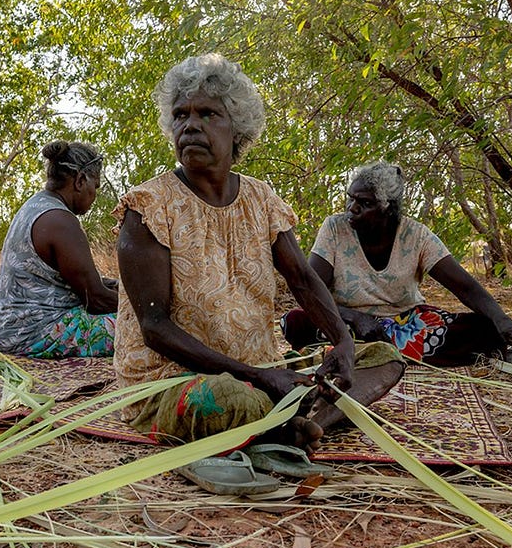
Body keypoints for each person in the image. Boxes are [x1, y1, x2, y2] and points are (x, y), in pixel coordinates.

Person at [115, 54, 406, 481]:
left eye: (207, 114)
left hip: (261, 368)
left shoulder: (260, 199)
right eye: (180, 115)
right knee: (231, 401)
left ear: (237, 129)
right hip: (179, 380)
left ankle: (298, 425)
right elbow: (154, 328)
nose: (189, 126)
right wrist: (259, 378)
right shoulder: (148, 207)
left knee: (381, 357)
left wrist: (342, 342)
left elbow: (303, 279)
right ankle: (284, 423)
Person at [282, 161, 512, 366]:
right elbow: (310, 290)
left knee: (483, 326)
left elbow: (465, 287)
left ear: (387, 208)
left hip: (406, 322)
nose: (352, 208)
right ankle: (388, 352)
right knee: (295, 321)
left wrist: (503, 321)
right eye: (350, 198)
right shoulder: (334, 228)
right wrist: (355, 316)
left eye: (364, 203)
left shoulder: (416, 236)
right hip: (347, 322)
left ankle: (372, 353)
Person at [0, 141, 118, 357]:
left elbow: (65, 279)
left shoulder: (35, 206)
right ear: (80, 180)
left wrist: (116, 286)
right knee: (139, 329)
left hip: (7, 332)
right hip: (35, 335)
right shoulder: (61, 221)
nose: (94, 195)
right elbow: (95, 299)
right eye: (95, 187)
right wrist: (144, 307)